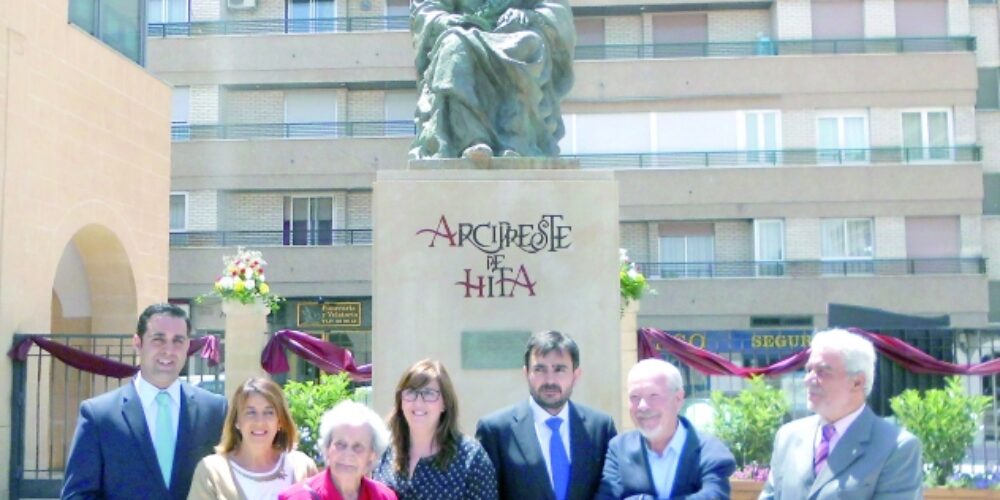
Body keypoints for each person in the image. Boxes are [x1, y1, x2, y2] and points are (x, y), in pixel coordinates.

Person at [62, 303, 229, 500]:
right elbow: (77, 495)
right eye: (158, 340)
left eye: (178, 340)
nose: (169, 350)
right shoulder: (99, 415)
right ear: (138, 344)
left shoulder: (214, 410)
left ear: (187, 346)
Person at [760, 329, 923, 499]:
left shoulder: (897, 447)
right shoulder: (788, 437)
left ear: (857, 382)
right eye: (809, 370)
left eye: (822, 372)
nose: (808, 380)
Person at [408, 0, 576, 159]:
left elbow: (555, 9)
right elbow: (426, 9)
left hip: (514, 35)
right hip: (462, 33)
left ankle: (516, 140)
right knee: (453, 47)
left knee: (530, 44)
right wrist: (445, 21)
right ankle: (472, 140)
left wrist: (528, 16)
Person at [476, 330, 617, 500]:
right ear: (526, 373)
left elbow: (612, 492)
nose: (550, 380)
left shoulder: (601, 428)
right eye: (540, 369)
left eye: (559, 369)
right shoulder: (495, 431)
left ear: (576, 375)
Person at [596, 359, 735, 499]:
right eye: (635, 397)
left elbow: (714, 496)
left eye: (653, 395)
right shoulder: (619, 449)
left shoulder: (709, 451)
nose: (642, 406)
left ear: (678, 399)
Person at [373, 359, 498, 499]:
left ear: (444, 403)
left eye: (429, 394)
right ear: (400, 401)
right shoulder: (384, 452)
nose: (418, 402)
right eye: (411, 392)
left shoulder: (471, 457)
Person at [188, 377, 318, 499]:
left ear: (280, 421)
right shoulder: (212, 471)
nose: (259, 422)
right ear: (236, 421)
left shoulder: (303, 467)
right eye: (250, 412)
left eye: (269, 412)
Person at [280, 400, 397, 500]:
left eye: (358, 447)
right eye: (340, 444)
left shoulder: (384, 497)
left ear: (372, 455)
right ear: (327, 448)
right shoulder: (299, 497)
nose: (348, 454)